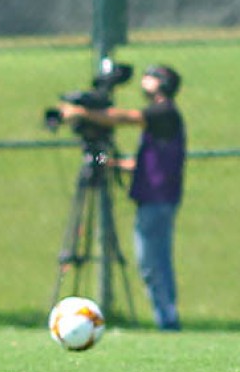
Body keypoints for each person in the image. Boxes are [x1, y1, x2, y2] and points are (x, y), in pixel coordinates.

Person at [60, 64, 185, 331]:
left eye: (151, 77)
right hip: (155, 198)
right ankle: (166, 319)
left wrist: (85, 113)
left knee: (153, 263)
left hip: (158, 199)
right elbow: (149, 163)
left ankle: (168, 322)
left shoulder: (165, 112)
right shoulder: (163, 117)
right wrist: (114, 164)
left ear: (163, 84)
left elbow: (126, 117)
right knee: (152, 263)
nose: (144, 81)